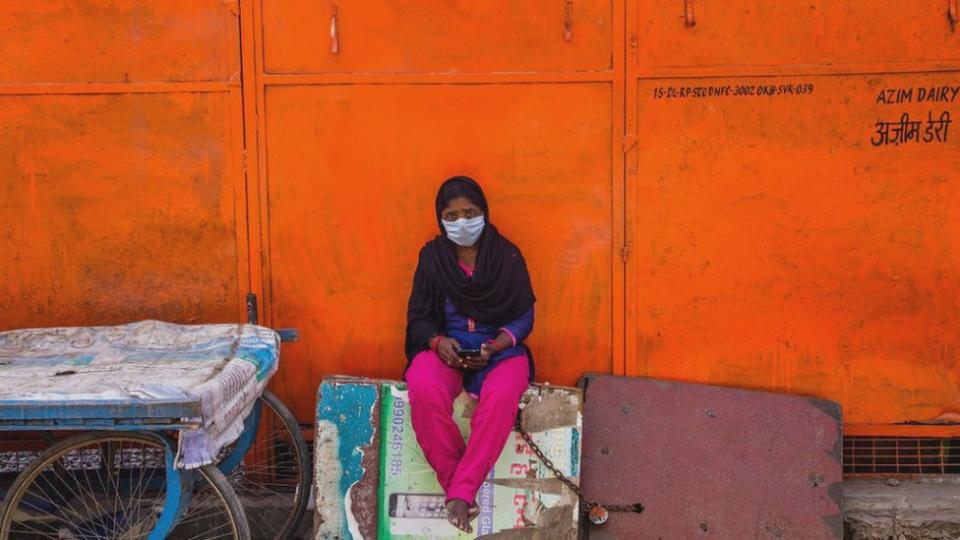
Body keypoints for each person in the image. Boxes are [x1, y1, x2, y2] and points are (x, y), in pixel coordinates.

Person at [404, 176, 536, 533]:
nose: (462, 222)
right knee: (423, 385)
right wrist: (436, 342)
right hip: (448, 348)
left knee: (504, 396)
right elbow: (418, 317)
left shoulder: (506, 255)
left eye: (470, 212)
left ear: (484, 213)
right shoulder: (433, 260)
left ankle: (460, 494)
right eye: (452, 215)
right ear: (440, 218)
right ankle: (459, 490)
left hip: (499, 350)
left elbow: (524, 315)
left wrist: (497, 345)